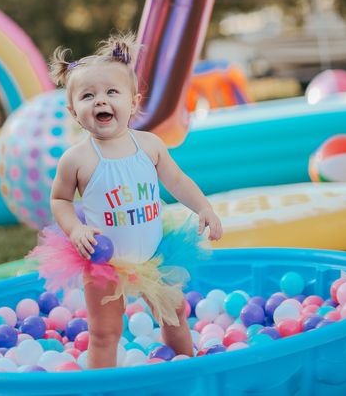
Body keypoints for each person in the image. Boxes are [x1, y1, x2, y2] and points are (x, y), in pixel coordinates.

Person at [30, 32, 223, 370]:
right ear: (74, 111)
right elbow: (60, 199)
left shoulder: (149, 146)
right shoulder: (77, 159)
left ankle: (185, 368)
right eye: (88, 96)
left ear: (133, 102)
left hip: (153, 254)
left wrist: (204, 207)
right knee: (105, 331)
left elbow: (177, 180)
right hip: (103, 261)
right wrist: (75, 229)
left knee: (174, 314)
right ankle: (100, 386)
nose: (100, 101)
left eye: (111, 92)